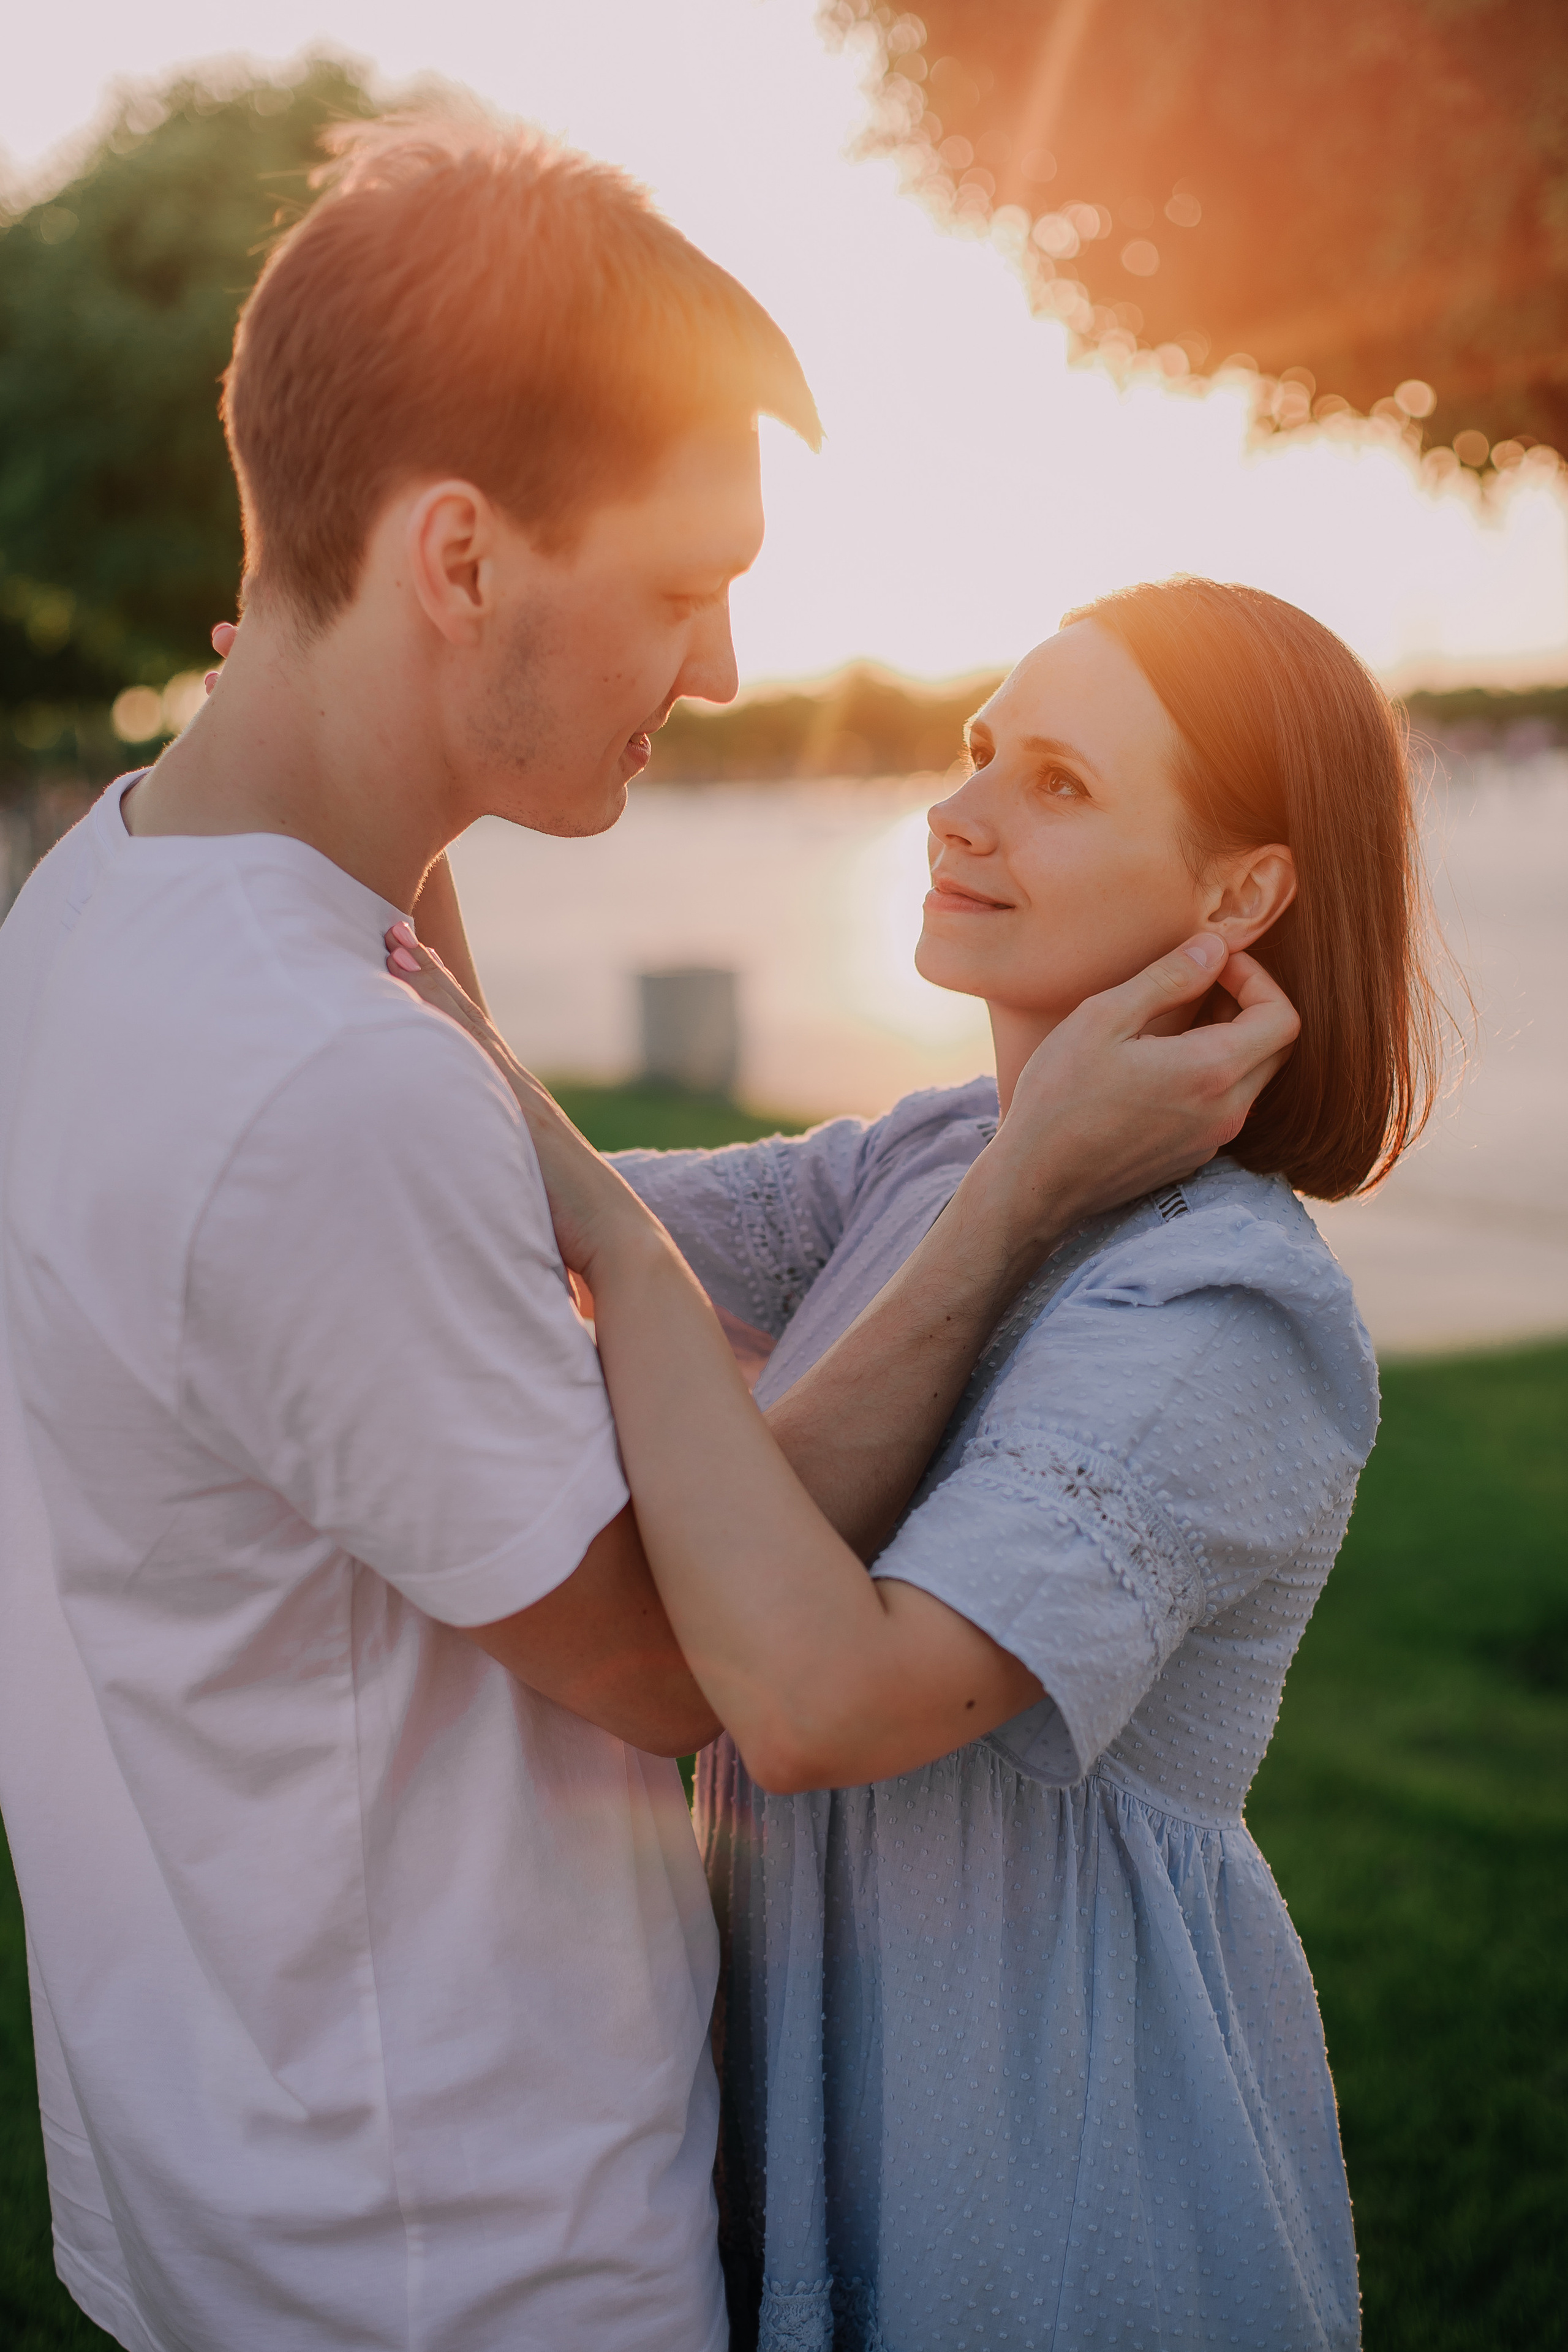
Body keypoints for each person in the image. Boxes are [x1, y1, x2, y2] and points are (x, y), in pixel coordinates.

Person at [0, 116, 1297, 2352]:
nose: (717, 668)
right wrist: (1012, 1206)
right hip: (466, 2264)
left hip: (241, 2190)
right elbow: (705, 1658)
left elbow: (455, 1195)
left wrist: (417, 907)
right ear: (459, 557)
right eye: (687, 581)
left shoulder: (102, 904)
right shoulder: (329, 1086)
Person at [394, 576, 1442, 2352]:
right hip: (809, 2082)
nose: (957, 813)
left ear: (1240, 892)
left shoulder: (1223, 1306)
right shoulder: (932, 1150)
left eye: (1058, 782)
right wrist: (392, 800)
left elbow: (820, 1706)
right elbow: (503, 1203)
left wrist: (1032, 1188)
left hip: (1046, 2147)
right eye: (978, 751)